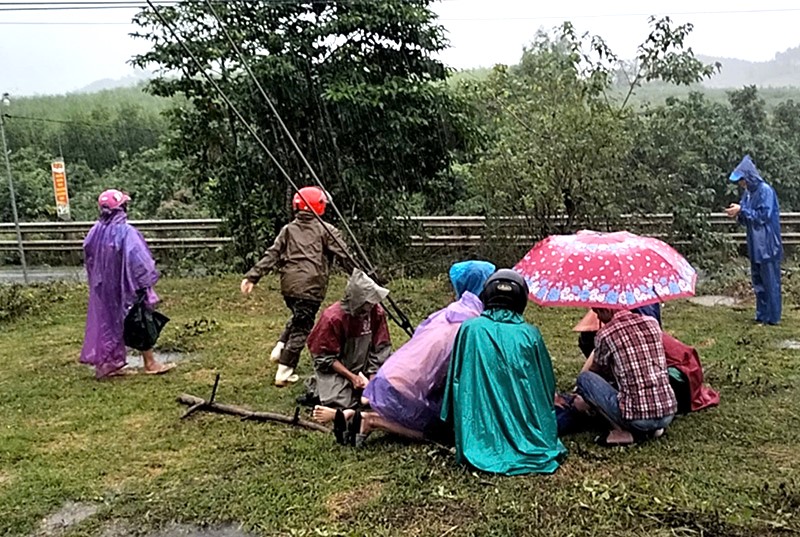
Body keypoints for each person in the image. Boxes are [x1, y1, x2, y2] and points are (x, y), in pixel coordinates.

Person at [323, 260, 495, 445]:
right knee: (441, 435)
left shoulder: (448, 313)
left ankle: (358, 415)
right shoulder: (473, 323)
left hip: (388, 380)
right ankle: (372, 421)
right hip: (406, 393)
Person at [441, 269, 567, 475]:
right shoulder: (530, 333)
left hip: (478, 435)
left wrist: (449, 423)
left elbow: (454, 381)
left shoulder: (470, 329)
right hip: (530, 432)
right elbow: (545, 383)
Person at [240, 186, 355, 387]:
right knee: (303, 327)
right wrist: (361, 275)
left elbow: (272, 254)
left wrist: (253, 276)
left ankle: (280, 348)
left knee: (299, 316)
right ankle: (285, 370)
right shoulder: (327, 230)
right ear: (319, 206)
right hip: (310, 287)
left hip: (289, 287)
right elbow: (345, 256)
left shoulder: (288, 229)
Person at [80, 189, 174, 378]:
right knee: (140, 320)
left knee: (109, 321)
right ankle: (150, 363)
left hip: (104, 287)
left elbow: (88, 253)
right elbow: (139, 260)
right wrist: (145, 282)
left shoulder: (95, 231)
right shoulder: (127, 232)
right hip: (128, 286)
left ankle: (109, 364)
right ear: (122, 208)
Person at [576, 307, 677, 447]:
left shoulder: (606, 334)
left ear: (607, 310)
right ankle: (654, 428)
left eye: (598, 313)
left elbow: (596, 371)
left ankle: (621, 431)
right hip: (667, 413)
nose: (598, 318)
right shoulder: (652, 323)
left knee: (584, 380)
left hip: (637, 418)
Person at [306, 269, 392, 419]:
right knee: (342, 402)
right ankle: (317, 387)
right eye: (367, 303)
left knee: (386, 395)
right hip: (339, 369)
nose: (371, 306)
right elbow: (323, 357)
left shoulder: (376, 313)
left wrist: (371, 381)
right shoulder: (332, 318)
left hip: (365, 367)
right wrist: (352, 377)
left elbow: (380, 349)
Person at [725, 155, 783, 325]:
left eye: (742, 180)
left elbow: (763, 215)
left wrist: (742, 210)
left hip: (768, 244)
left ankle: (773, 317)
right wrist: (737, 213)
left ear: (749, 176)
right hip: (755, 244)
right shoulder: (748, 193)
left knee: (770, 281)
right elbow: (747, 217)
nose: (741, 184)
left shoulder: (765, 191)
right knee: (758, 282)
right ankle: (762, 315)